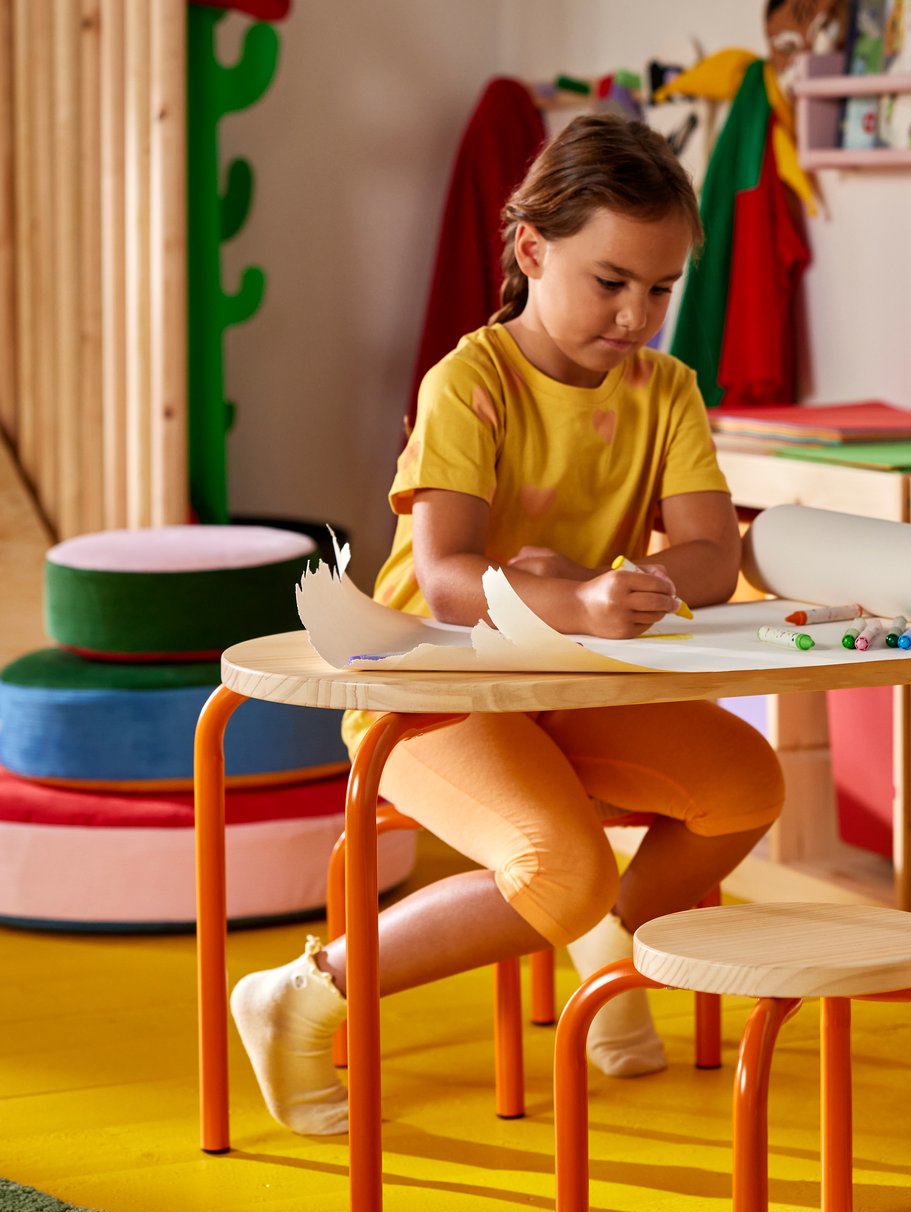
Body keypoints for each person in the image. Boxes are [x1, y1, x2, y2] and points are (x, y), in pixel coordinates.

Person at [230, 114, 785, 1136]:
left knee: (746, 784)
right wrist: (571, 598)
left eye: (660, 289)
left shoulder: (666, 391)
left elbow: (711, 556)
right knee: (559, 864)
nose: (636, 315)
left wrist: (623, 584)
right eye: (610, 281)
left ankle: (605, 943)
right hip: (424, 692)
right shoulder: (469, 381)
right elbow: (444, 581)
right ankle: (299, 992)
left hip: (568, 686)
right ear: (532, 250)